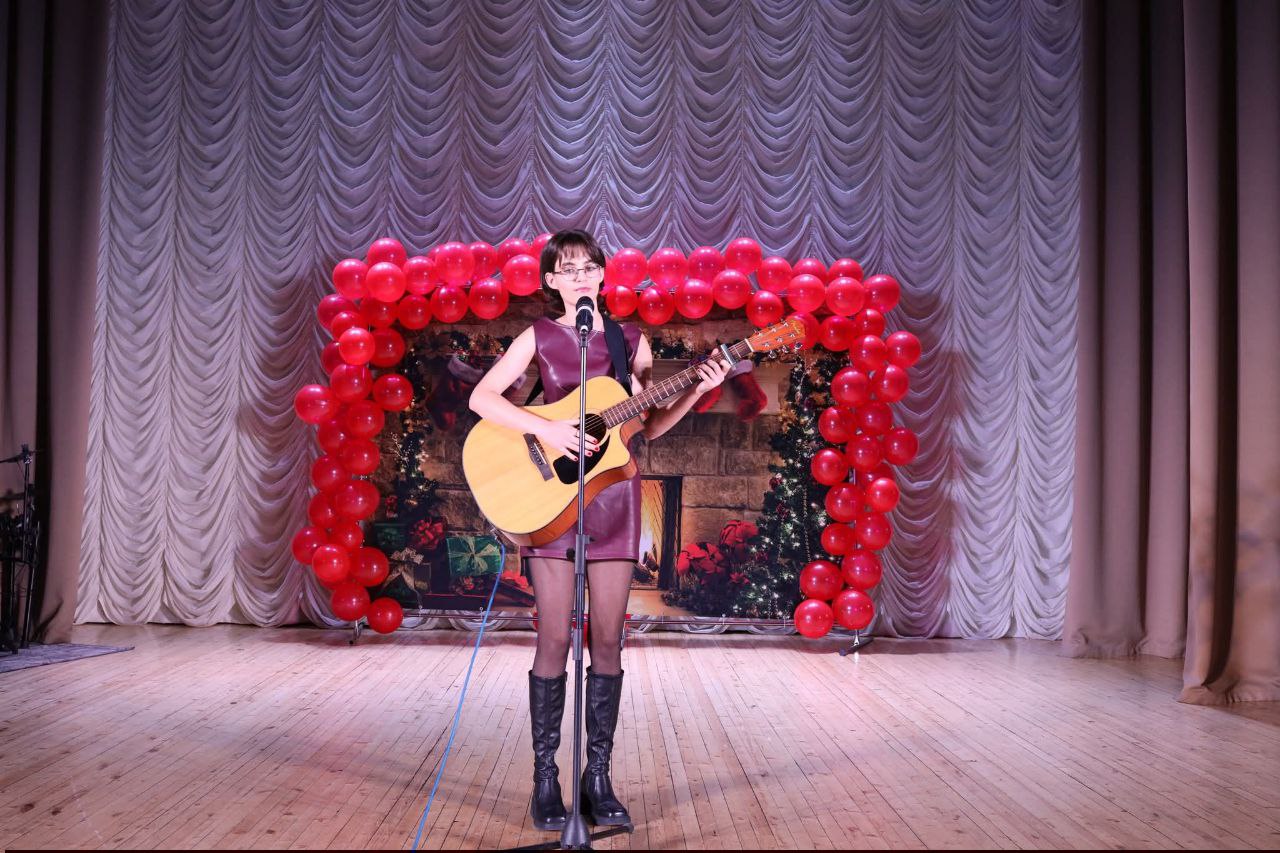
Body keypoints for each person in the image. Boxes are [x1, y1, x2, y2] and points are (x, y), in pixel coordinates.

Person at [467, 229, 729, 831]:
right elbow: (484, 398)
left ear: (603, 275)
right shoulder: (538, 336)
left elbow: (647, 427)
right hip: (551, 503)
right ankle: (545, 778)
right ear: (550, 281)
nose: (581, 276)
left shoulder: (628, 341)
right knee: (553, 639)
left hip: (615, 500)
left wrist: (698, 389)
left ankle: (598, 776)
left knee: (607, 641)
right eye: (568, 268)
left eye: (590, 266)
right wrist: (548, 429)